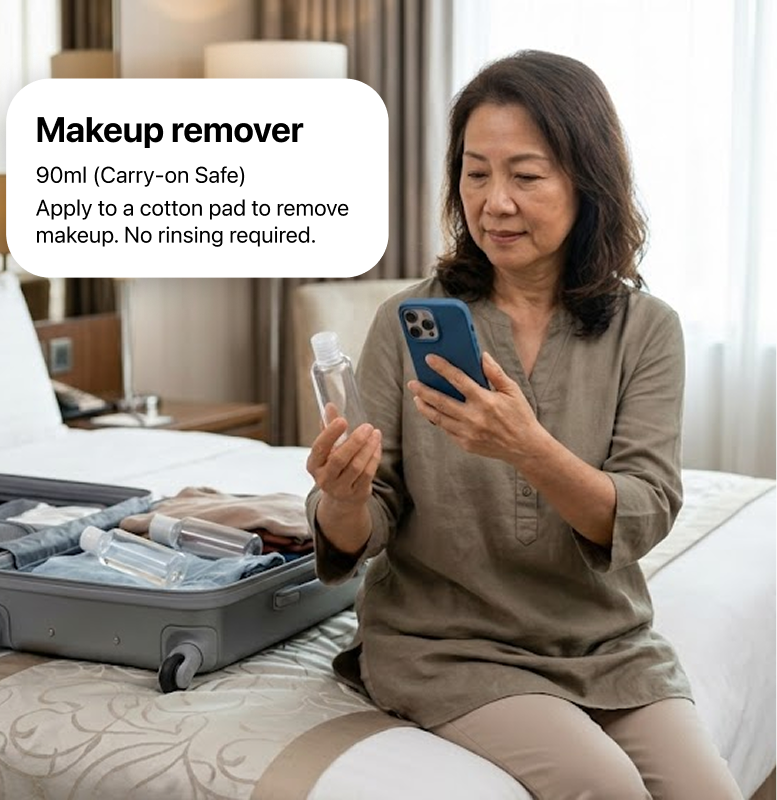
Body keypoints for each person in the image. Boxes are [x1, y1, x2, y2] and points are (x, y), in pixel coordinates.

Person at [305, 50, 743, 800]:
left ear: (587, 183)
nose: (495, 203)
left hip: (604, 642)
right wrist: (342, 499)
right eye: (475, 174)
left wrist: (527, 448)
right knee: (606, 785)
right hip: (446, 645)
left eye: (526, 176)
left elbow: (641, 513)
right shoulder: (405, 322)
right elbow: (370, 520)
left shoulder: (646, 329)